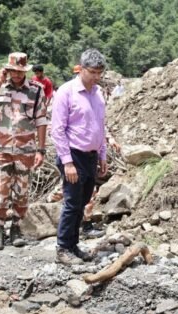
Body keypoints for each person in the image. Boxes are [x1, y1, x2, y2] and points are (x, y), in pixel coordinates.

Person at [0, 52, 48, 250]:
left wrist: (41, 150)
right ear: (7, 70)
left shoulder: (36, 90)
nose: (17, 75)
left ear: (25, 70)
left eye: (20, 71)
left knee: (22, 190)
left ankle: (16, 228)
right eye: (13, 71)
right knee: (1, 190)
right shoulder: (0, 87)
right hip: (2, 148)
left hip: (26, 148)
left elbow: (41, 120)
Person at [51, 49, 108, 265]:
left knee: (83, 202)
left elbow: (100, 125)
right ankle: (63, 248)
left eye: (99, 73)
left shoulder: (98, 93)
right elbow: (57, 130)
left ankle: (73, 245)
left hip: (91, 156)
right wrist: (67, 162)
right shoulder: (66, 92)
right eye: (92, 72)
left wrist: (102, 154)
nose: (96, 77)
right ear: (81, 69)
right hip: (73, 155)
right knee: (72, 203)